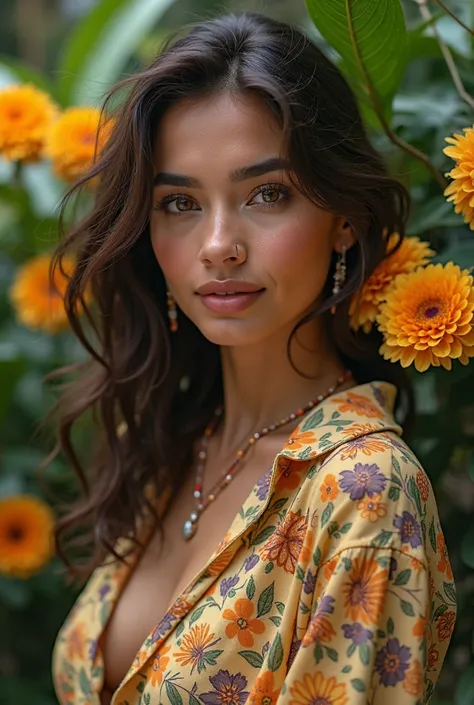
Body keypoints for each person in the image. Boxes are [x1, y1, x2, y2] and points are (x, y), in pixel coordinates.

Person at [50, 12, 456, 705]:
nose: (217, 245)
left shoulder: (362, 492)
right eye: (178, 201)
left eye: (267, 193)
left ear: (344, 221)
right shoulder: (181, 445)